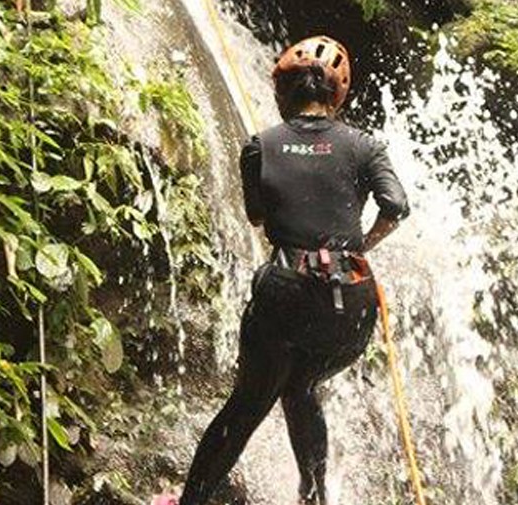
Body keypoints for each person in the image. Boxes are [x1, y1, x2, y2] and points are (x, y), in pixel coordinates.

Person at [168, 35, 410, 505]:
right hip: (351, 304)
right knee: (301, 384)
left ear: (283, 91)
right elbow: (396, 206)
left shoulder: (260, 146)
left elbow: (258, 218)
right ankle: (313, 496)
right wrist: (357, 247)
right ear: (335, 95)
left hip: (286, 295)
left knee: (249, 402)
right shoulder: (365, 146)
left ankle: (190, 501)